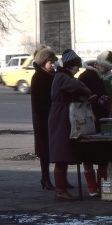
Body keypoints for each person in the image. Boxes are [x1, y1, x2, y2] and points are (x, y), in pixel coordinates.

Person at [48, 49, 94, 201]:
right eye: (76, 67)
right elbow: (77, 86)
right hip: (60, 117)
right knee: (61, 152)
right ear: (70, 66)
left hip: (62, 115)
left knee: (64, 152)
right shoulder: (62, 77)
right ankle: (60, 190)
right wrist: (86, 91)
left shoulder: (61, 76)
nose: (77, 70)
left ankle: (61, 189)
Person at [31, 45, 76, 191]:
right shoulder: (38, 77)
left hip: (54, 117)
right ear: (43, 62)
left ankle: (62, 180)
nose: (52, 64)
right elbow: (39, 102)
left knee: (60, 149)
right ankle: (45, 178)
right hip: (43, 119)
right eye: (49, 61)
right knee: (45, 151)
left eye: (53, 61)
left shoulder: (53, 75)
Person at [77, 50, 112, 197]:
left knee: (104, 155)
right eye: (105, 67)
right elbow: (80, 97)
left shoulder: (107, 77)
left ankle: (101, 185)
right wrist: (97, 100)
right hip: (88, 120)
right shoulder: (86, 76)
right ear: (98, 64)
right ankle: (91, 187)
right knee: (87, 155)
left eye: (109, 68)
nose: (107, 70)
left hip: (103, 120)